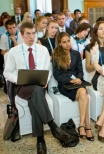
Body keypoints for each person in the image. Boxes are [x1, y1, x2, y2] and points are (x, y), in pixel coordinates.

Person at [3, 22, 73, 154]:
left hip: (40, 86)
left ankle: (40, 140)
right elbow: (7, 73)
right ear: (22, 35)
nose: (31, 36)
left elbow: (48, 69)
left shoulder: (43, 50)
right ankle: (53, 127)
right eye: (28, 33)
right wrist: (18, 79)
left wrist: (46, 80)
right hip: (22, 87)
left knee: (34, 97)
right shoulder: (14, 52)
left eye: (34, 33)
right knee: (35, 92)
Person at [53, 32, 94, 141]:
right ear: (60, 44)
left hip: (78, 82)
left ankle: (81, 125)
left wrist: (79, 78)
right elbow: (56, 74)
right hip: (65, 84)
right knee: (84, 95)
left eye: (68, 41)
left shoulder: (76, 54)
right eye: (64, 42)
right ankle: (87, 126)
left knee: (83, 93)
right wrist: (71, 80)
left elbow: (80, 71)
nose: (67, 44)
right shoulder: (56, 55)